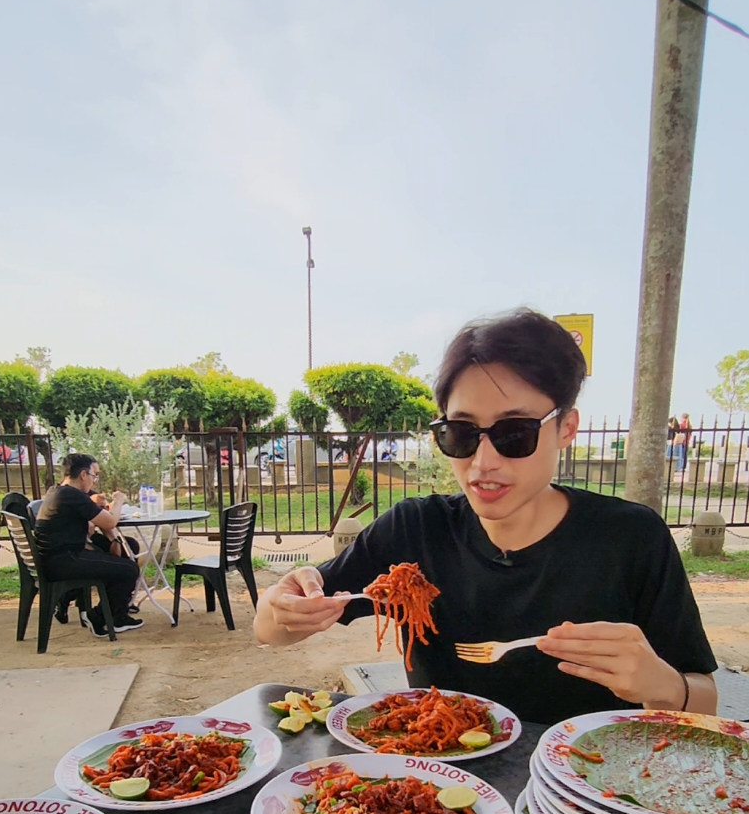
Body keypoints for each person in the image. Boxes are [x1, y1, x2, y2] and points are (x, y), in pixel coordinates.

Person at [254, 309, 717, 725]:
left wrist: (663, 686)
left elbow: (705, 702)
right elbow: (269, 631)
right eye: (461, 433)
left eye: (514, 433)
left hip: (582, 792)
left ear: (566, 428)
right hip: (439, 782)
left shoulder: (629, 538)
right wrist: (284, 607)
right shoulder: (415, 530)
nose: (483, 462)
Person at [34, 453, 142, 636]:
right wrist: (119, 501)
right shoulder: (72, 495)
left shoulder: (59, 490)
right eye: (94, 475)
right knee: (128, 569)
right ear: (83, 475)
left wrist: (111, 537)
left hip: (59, 555)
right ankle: (101, 617)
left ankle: (116, 609)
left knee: (128, 547)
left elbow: (97, 521)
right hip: (63, 560)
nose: (95, 480)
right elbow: (109, 522)